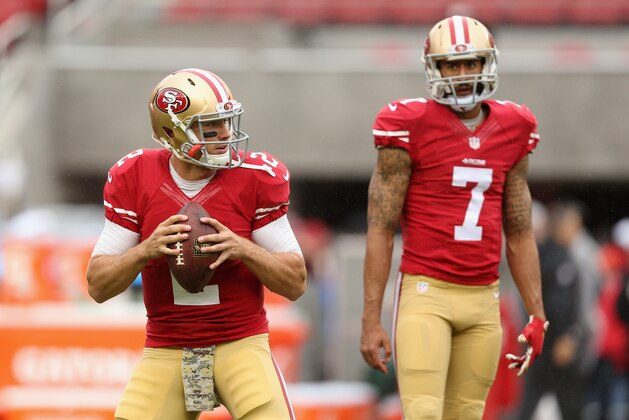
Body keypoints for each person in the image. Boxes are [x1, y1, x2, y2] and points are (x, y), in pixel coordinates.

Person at [85, 68, 307, 420]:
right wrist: (146, 249)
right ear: (172, 132)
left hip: (240, 343)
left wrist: (242, 247)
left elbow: (295, 282)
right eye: (210, 127)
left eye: (226, 122)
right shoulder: (135, 175)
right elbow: (97, 285)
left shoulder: (255, 177)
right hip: (167, 347)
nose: (226, 135)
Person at [359, 15, 548, 419]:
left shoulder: (515, 126)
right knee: (425, 414)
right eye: (452, 65)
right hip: (428, 294)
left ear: (488, 64)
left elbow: (519, 229)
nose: (462, 74)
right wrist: (370, 318)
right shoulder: (407, 124)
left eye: (471, 63)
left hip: (485, 300)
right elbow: (380, 226)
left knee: (467, 414)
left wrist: (537, 312)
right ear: (434, 68)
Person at [515, 205, 585, 420]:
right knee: (554, 403)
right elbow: (557, 303)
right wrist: (564, 336)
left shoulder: (557, 253)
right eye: (574, 226)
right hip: (550, 342)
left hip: (549, 340)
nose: (577, 232)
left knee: (551, 402)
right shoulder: (552, 256)